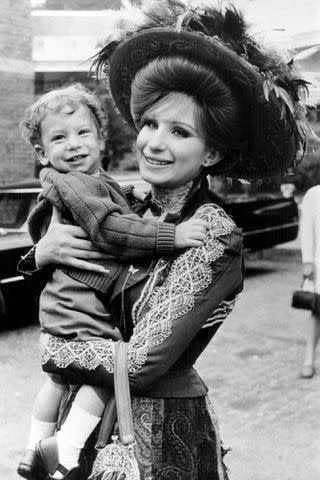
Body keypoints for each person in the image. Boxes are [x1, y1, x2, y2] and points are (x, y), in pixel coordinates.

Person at [18, 1, 311, 479]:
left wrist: (51, 351)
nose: (154, 143)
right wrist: (40, 254)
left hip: (156, 436)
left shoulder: (212, 234)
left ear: (212, 151)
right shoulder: (126, 205)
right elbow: (73, 286)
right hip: (84, 420)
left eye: (179, 131)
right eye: (151, 124)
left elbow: (141, 363)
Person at [17, 83, 208, 480]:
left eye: (83, 133)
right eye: (59, 138)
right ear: (41, 152)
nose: (73, 145)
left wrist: (125, 194)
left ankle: (35, 448)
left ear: (102, 138)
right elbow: (111, 229)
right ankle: (62, 451)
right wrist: (173, 235)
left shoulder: (83, 182)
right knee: (99, 372)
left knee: (58, 377)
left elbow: (103, 207)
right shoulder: (75, 183)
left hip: (70, 306)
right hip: (80, 308)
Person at [299, 186, 320, 378]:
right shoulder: (314, 194)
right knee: (317, 313)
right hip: (319, 264)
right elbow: (306, 229)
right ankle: (309, 359)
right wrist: (307, 261)